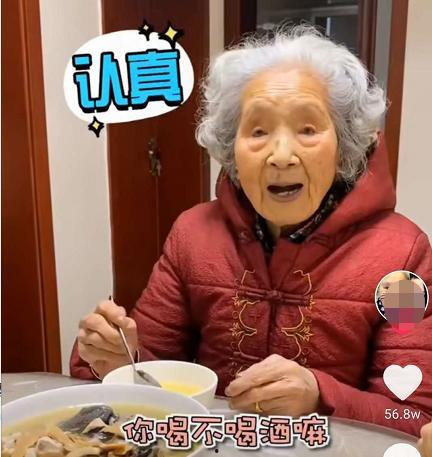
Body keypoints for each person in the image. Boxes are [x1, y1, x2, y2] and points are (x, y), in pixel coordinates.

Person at [70, 26, 432, 436]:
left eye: (308, 130)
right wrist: (119, 360)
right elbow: (152, 370)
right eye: (258, 132)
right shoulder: (193, 234)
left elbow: (414, 417)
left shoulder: (404, 255)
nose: (281, 155)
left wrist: (320, 396)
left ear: (344, 147)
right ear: (231, 150)